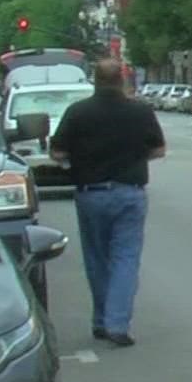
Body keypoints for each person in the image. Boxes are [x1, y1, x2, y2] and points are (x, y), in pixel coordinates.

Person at [49, 58, 165, 348]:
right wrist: (135, 158)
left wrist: (77, 160)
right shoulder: (140, 111)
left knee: (97, 259)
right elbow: (159, 149)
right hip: (130, 192)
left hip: (91, 193)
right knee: (125, 258)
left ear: (95, 80)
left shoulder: (78, 113)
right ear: (122, 80)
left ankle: (101, 320)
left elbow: (57, 152)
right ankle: (117, 323)